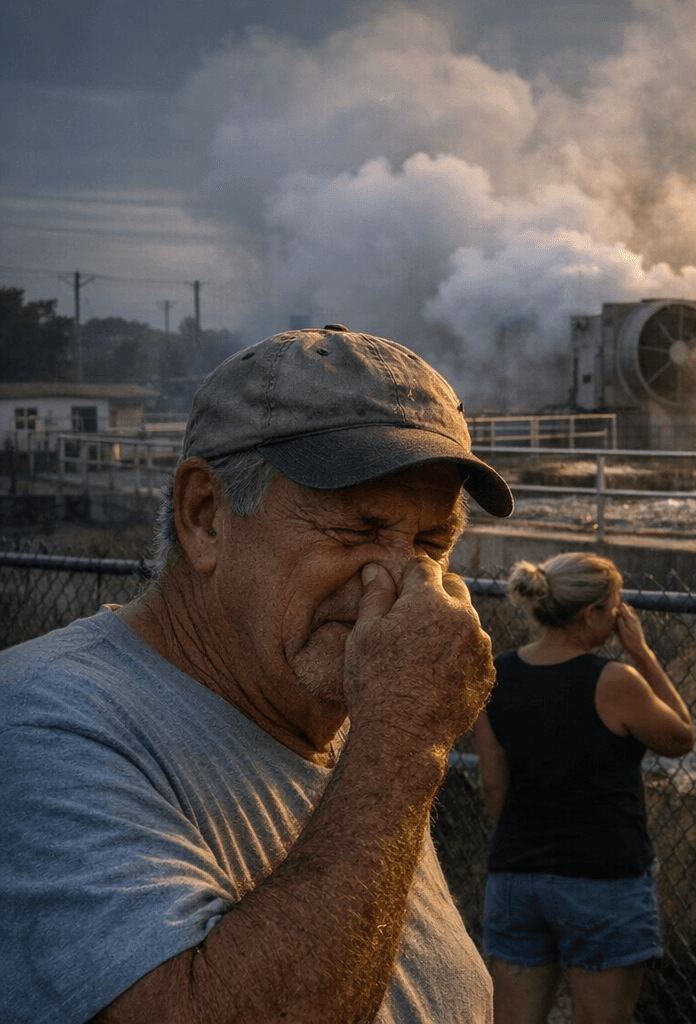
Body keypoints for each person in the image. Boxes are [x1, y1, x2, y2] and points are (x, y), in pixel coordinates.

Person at [0, 324, 516, 1024]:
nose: (401, 581)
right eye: (356, 531)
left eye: (432, 542)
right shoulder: (40, 726)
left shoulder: (348, 722)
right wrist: (400, 740)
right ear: (205, 517)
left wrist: (388, 737)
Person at [472, 552, 694, 1024]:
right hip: (602, 880)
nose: (618, 617)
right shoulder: (614, 681)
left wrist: (525, 838)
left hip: (516, 876)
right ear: (591, 614)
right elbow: (680, 736)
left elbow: (493, 781)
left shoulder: (496, 675)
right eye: (614, 607)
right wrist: (643, 653)